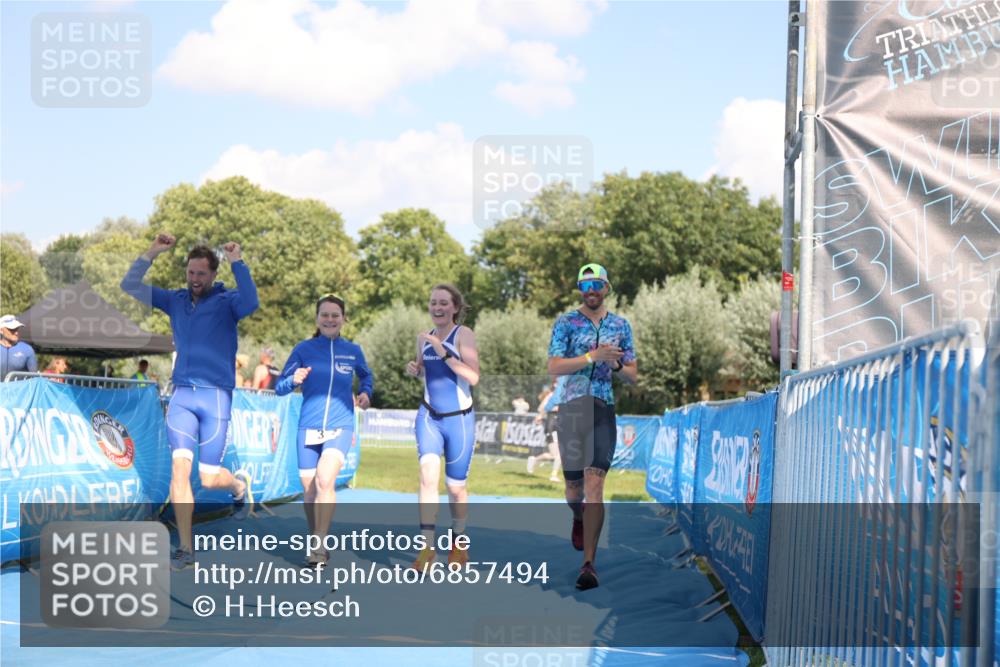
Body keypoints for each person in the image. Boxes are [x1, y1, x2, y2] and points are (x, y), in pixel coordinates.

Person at [121, 233, 259, 570]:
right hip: (182, 396)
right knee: (179, 472)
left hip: (215, 398)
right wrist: (153, 250)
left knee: (209, 477)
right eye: (190, 273)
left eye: (201, 274)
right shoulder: (175, 300)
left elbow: (252, 301)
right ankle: (185, 548)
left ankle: (239, 486)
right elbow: (130, 285)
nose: (195, 280)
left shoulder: (228, 302)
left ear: (213, 274)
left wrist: (237, 261)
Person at [547, 263, 637, 590]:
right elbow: (553, 366)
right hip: (571, 408)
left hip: (602, 408)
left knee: (595, 484)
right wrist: (590, 357)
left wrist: (614, 363)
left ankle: (589, 564)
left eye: (597, 284)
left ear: (607, 287)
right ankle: (577, 516)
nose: (592, 290)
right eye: (586, 286)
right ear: (579, 290)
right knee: (574, 491)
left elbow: (632, 374)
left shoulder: (621, 325)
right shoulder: (566, 323)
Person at [275, 294, 372, 565]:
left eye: (335, 315)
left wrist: (365, 393)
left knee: (325, 480)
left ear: (343, 319)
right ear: (317, 319)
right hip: (308, 427)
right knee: (310, 493)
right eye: (325, 315)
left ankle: (317, 545)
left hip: (340, 425)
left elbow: (366, 376)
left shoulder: (353, 351)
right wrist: (292, 379)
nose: (330, 320)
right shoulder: (304, 349)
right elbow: (280, 387)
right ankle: (316, 537)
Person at [404, 284, 480, 571]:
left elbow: (472, 377)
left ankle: (458, 544)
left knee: (455, 487)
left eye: (443, 303)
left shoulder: (464, 335)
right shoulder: (423, 337)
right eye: (433, 302)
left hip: (459, 419)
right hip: (429, 417)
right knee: (426, 476)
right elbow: (426, 369)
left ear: (455, 307)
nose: (437, 307)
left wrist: (444, 353)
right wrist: (416, 369)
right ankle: (426, 548)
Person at [527, 379, 562, 483]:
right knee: (559, 455)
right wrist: (540, 416)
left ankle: (534, 460)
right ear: (555, 384)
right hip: (552, 427)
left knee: (554, 455)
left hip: (558, 427)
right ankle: (553, 475)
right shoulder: (552, 395)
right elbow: (542, 408)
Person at [0, 315, 37, 380]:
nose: (16, 333)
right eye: (12, 329)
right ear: (1, 330)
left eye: (17, 329)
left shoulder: (27, 349)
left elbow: (35, 378)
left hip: (20, 390)